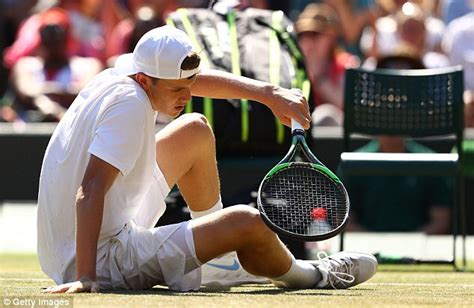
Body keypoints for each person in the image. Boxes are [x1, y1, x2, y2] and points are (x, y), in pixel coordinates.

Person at [38, 25, 377, 293]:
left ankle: (221, 265)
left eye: (190, 85)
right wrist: (85, 276)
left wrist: (268, 94)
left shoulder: (125, 73)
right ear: (145, 79)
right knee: (247, 221)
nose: (187, 96)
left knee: (194, 129)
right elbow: (91, 188)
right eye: (177, 91)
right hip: (102, 258)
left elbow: (190, 83)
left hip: (84, 239)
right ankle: (312, 275)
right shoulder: (129, 105)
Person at [295, 3, 359, 126]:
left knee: (326, 116)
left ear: (332, 37)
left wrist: (319, 78)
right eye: (303, 34)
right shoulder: (294, 66)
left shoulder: (346, 64)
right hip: (302, 133)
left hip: (337, 138)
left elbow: (346, 106)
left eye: (315, 34)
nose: (308, 41)